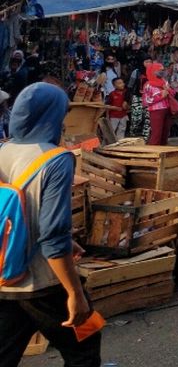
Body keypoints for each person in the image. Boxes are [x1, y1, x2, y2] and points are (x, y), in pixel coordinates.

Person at [0, 82, 103, 366]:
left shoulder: (2, 151)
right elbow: (53, 238)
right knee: (85, 343)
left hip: (5, 278)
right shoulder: (56, 160)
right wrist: (75, 293)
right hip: (44, 284)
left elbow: (14, 211)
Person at [141, 62, 175, 146]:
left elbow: (173, 93)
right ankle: (153, 153)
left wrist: (168, 90)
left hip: (167, 109)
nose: (162, 72)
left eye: (163, 70)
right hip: (156, 111)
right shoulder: (148, 85)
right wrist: (160, 96)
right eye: (160, 70)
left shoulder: (164, 81)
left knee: (165, 133)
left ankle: (162, 151)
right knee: (157, 133)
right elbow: (146, 101)